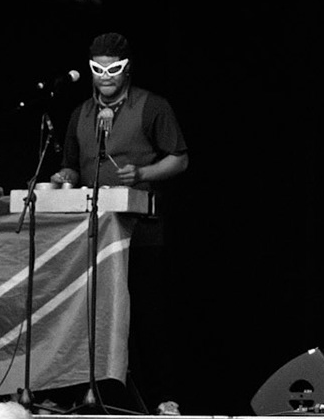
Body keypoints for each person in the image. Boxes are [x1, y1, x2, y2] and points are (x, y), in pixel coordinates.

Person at [49, 33, 188, 415]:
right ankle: (88, 394)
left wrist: (143, 171)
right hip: (91, 236)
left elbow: (179, 159)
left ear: (127, 70)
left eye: (114, 69)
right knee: (88, 316)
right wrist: (64, 178)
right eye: (98, 69)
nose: (105, 76)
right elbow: (71, 166)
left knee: (145, 317)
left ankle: (163, 397)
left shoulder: (152, 107)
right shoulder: (81, 114)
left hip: (141, 232)